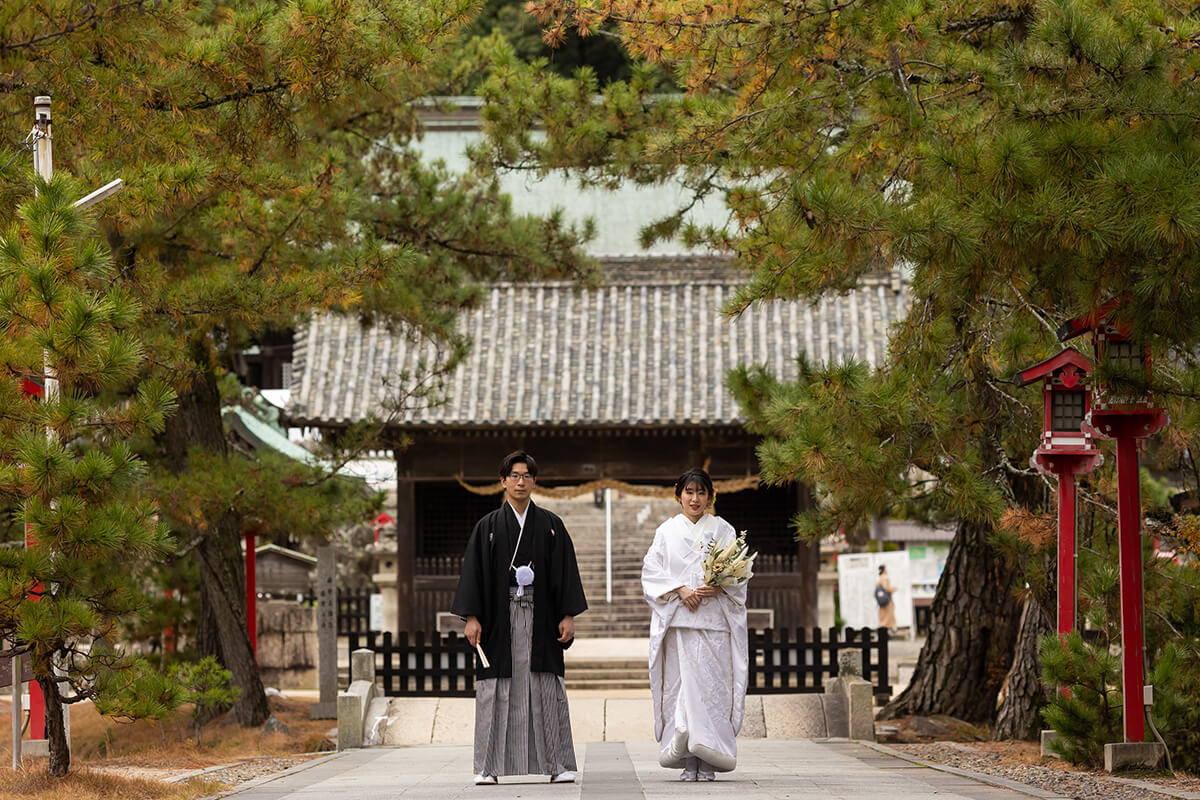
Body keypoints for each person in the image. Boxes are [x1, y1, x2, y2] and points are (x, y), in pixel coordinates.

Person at [451, 451, 588, 786]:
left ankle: (558, 763)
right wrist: (471, 617)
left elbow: (565, 573)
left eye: (527, 476)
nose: (521, 481)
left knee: (546, 687)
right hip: (499, 621)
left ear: (535, 481)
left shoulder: (552, 526)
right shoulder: (488, 528)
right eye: (514, 475)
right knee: (494, 690)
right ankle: (487, 767)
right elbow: (474, 574)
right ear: (503, 481)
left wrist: (568, 615)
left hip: (542, 619)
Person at [640, 468, 749, 782]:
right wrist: (679, 589)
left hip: (713, 624)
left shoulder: (724, 529)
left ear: (710, 496)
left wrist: (721, 585)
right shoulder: (666, 531)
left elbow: (738, 574)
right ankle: (687, 757)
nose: (695, 499)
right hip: (679, 623)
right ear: (679, 495)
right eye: (689, 492)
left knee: (711, 691)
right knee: (682, 692)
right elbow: (651, 572)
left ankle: (709, 757)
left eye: (702, 493)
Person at [876, 564, 897, 632]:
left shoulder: (879, 578)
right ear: (884, 570)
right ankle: (886, 630)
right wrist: (892, 589)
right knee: (887, 617)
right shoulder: (885, 578)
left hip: (881, 601)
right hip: (887, 601)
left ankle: (882, 628)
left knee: (882, 616)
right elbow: (886, 588)